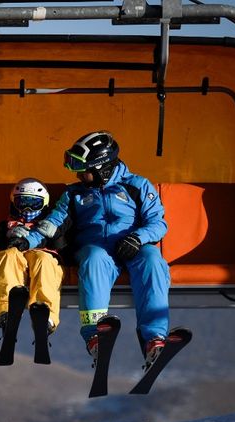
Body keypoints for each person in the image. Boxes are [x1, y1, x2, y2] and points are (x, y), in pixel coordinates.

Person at [24, 131, 170, 369]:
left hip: (133, 247)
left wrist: (137, 238)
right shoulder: (74, 194)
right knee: (94, 259)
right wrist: (27, 241)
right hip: (96, 249)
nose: (80, 176)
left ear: (103, 168)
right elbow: (52, 224)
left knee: (153, 259)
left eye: (85, 170)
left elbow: (158, 223)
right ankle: (95, 334)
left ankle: (153, 337)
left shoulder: (137, 186)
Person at [0, 178, 65, 335]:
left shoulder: (49, 225)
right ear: (14, 203)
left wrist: (56, 236)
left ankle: (44, 314)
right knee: (8, 255)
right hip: (16, 263)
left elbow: (64, 252)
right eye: (22, 203)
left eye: (34, 204)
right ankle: (5, 311)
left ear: (44, 204)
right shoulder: (7, 226)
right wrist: (6, 237)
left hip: (42, 261)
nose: (28, 209)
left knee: (44, 259)